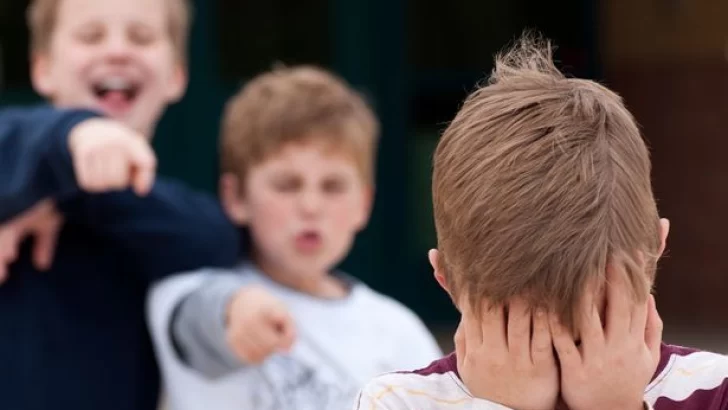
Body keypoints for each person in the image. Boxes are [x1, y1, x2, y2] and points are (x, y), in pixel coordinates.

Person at [353, 34, 728, 410]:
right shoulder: (396, 402)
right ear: (446, 280)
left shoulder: (717, 390)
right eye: (522, 331)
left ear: (654, 252)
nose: (563, 364)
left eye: (594, 325)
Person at [147, 66, 443, 410]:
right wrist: (232, 310)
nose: (311, 206)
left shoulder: (399, 332)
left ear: (364, 204)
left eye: (333, 186)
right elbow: (197, 318)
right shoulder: (187, 289)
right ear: (236, 197)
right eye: (287, 185)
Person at [0, 0, 241, 409]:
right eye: (91, 36)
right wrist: (72, 139)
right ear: (42, 69)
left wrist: (68, 199)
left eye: (142, 37)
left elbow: (214, 238)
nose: (117, 50)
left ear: (177, 76)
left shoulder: (175, 218)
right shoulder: (14, 151)